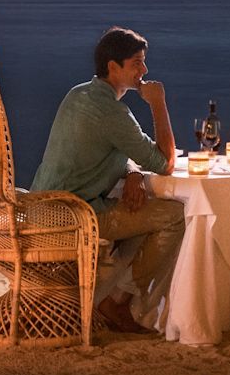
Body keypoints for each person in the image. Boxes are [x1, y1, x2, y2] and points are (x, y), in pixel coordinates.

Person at [30, 26, 184, 335]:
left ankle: (109, 294)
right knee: (172, 216)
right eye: (137, 63)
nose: (145, 70)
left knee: (140, 211)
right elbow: (165, 163)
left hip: (40, 206)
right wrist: (158, 103)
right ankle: (118, 300)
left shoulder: (78, 94)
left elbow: (112, 148)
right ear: (113, 67)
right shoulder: (113, 112)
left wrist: (133, 174)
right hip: (74, 217)